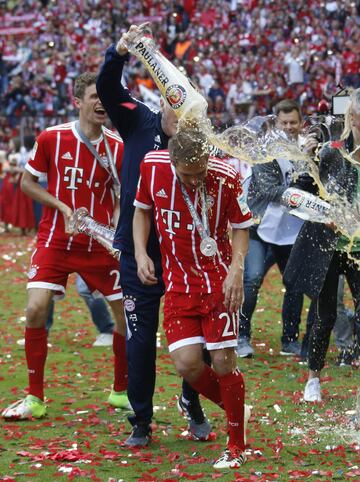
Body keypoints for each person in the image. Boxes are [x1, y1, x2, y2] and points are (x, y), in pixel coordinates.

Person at [96, 24, 211, 447]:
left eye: (189, 111)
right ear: (164, 100)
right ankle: (141, 421)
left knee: (194, 343)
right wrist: (120, 50)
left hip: (186, 257)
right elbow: (107, 87)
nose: (181, 119)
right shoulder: (139, 120)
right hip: (138, 252)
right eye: (175, 109)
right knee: (141, 341)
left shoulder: (200, 135)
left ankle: (191, 403)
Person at [2, 72, 129, 420]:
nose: (100, 102)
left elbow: (122, 198)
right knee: (35, 310)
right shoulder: (51, 138)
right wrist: (61, 206)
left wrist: (115, 228)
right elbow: (27, 183)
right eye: (94, 96)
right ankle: (35, 398)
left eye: (104, 96)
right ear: (78, 102)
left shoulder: (117, 146)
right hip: (56, 240)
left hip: (100, 245)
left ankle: (121, 391)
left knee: (126, 318)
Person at [133, 125, 253, 468]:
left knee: (223, 363)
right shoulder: (151, 166)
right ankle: (236, 410)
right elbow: (141, 209)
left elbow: (242, 227)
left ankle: (236, 444)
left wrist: (237, 270)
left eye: (200, 172)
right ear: (173, 162)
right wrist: (141, 252)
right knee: (186, 363)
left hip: (219, 282)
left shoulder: (226, 175)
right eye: (187, 174)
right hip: (178, 284)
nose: (194, 180)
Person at [284, 88, 360, 402]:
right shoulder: (331, 151)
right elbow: (295, 192)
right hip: (329, 245)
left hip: (358, 249)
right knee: (325, 314)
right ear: (351, 118)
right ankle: (313, 378)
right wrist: (319, 211)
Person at [237, 99, 318, 358]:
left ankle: (290, 339)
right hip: (260, 225)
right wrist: (300, 190)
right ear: (276, 123)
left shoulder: (309, 149)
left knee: (293, 283)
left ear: (301, 122)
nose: (289, 127)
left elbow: (319, 184)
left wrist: (311, 161)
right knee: (251, 279)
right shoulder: (265, 150)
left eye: (293, 122)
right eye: (284, 122)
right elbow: (269, 189)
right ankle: (241, 336)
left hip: (292, 228)